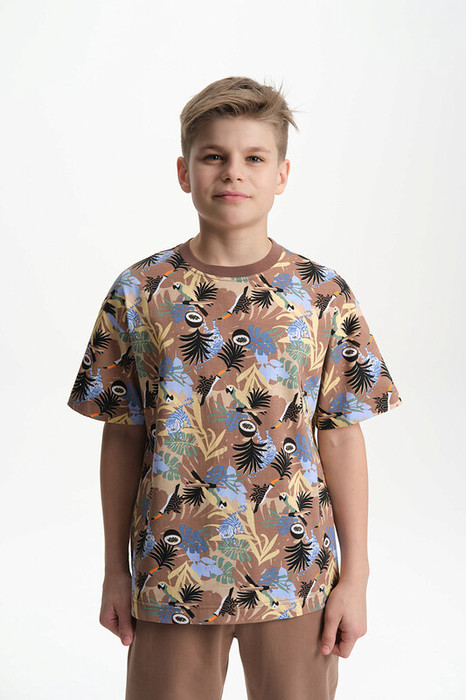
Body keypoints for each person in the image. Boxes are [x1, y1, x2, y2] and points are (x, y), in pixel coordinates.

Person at [67, 76, 403, 700]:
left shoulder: (321, 293)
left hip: (295, 572)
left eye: (254, 157)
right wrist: (115, 569)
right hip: (171, 575)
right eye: (214, 156)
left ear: (282, 175)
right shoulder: (140, 291)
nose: (233, 173)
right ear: (184, 171)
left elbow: (341, 436)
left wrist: (356, 577)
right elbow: (122, 436)